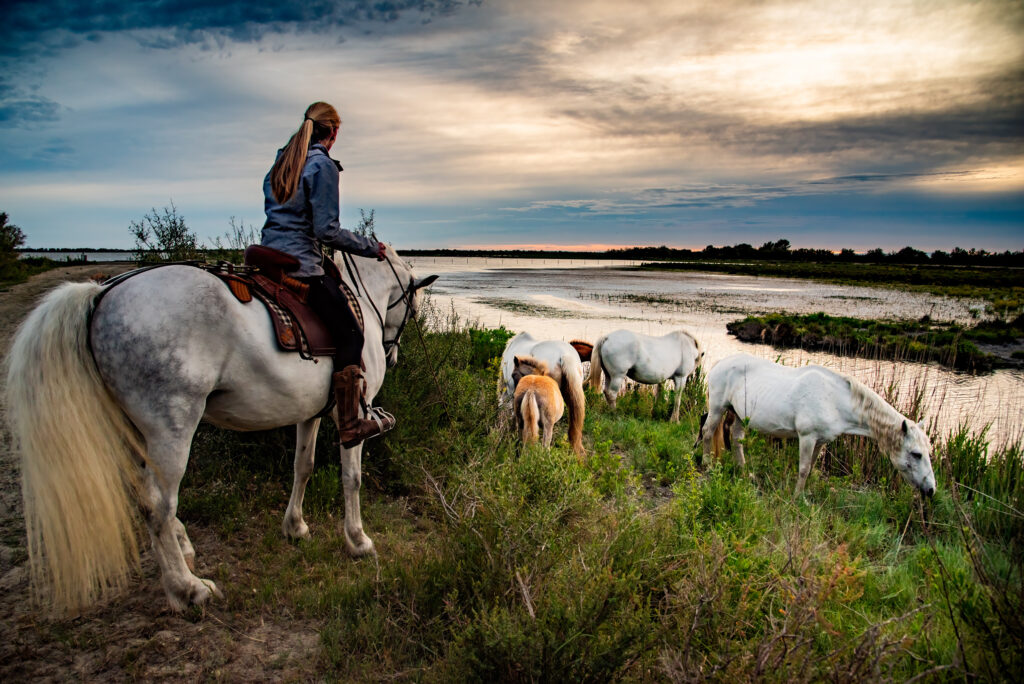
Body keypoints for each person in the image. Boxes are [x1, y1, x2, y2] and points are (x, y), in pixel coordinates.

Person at [261, 101, 394, 448]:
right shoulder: (321, 165)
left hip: (268, 257)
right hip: (300, 265)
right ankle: (350, 423)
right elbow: (326, 230)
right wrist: (370, 247)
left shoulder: (282, 161)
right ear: (333, 133)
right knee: (352, 334)